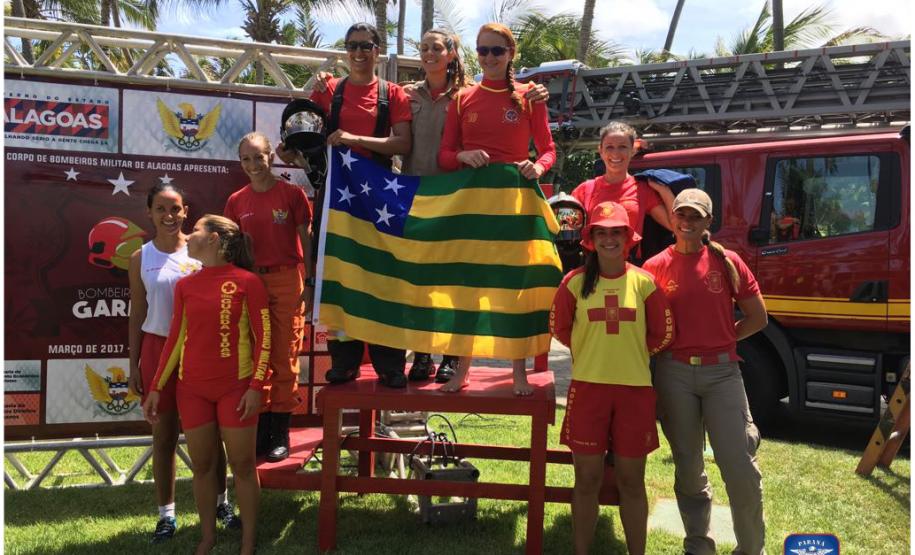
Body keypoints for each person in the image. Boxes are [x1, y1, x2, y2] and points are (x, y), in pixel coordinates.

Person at [280, 22, 413, 389]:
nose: (358, 52)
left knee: (384, 279)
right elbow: (304, 137)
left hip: (380, 198)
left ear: (377, 50)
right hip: (337, 196)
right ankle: (344, 361)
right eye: (352, 45)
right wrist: (288, 151)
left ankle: (389, 363)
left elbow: (402, 144)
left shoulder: (394, 93)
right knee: (337, 274)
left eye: (366, 46)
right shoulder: (329, 91)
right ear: (345, 50)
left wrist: (354, 138)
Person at [642, 189, 769, 555]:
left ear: (707, 222)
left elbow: (757, 318)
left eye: (695, 216)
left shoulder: (727, 261)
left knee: (740, 469)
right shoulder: (653, 267)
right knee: (688, 469)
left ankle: (750, 549)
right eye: (681, 214)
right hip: (673, 375)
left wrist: (725, 339)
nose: (686, 222)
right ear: (673, 219)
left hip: (722, 375)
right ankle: (699, 547)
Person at [437, 22, 557, 396]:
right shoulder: (462, 98)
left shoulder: (529, 97)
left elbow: (549, 149)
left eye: (497, 51)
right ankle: (461, 373)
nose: (489, 58)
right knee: (467, 291)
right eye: (483, 51)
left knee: (513, 291)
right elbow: (443, 156)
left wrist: (537, 166)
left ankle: (518, 372)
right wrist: (462, 155)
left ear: (510, 55)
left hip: (515, 205)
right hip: (471, 206)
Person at [550, 201, 674, 555]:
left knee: (631, 481)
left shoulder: (645, 283)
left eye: (615, 232)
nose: (609, 239)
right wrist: (592, 351)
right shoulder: (573, 283)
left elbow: (663, 333)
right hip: (588, 390)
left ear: (627, 238)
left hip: (635, 392)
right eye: (601, 233)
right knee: (586, 479)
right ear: (591, 239)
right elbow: (559, 328)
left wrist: (631, 354)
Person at [142, 215, 269, 555]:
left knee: (242, 465)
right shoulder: (186, 284)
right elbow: (175, 340)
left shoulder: (248, 282)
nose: (189, 235)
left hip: (236, 389)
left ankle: (247, 541)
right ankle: (207, 537)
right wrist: (156, 386)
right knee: (202, 466)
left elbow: (264, 338)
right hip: (192, 389)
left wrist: (257, 386)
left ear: (214, 239)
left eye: (196, 230)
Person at [127, 184, 240, 543]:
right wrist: (133, 365)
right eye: (161, 209)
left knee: (213, 435)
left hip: (199, 351)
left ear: (185, 211)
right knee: (163, 437)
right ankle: (166, 515)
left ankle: (223, 503)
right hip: (157, 350)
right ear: (149, 213)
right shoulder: (139, 257)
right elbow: (137, 313)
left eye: (175, 209)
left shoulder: (201, 250)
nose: (169, 216)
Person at [224, 131, 312, 463]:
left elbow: (308, 238)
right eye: (246, 158)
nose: (253, 164)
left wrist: (313, 280)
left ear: (271, 156)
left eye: (258, 157)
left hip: (287, 278)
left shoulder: (292, 194)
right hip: (250, 282)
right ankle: (260, 431)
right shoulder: (236, 201)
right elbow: (230, 250)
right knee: (254, 358)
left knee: (284, 355)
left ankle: (280, 433)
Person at [571, 121, 675, 247]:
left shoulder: (642, 189)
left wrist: (665, 191)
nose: (616, 153)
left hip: (630, 264)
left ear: (632, 151)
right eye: (609, 147)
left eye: (622, 147)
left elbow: (674, 226)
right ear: (601, 151)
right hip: (592, 263)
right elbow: (568, 231)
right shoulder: (584, 190)